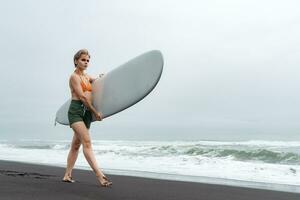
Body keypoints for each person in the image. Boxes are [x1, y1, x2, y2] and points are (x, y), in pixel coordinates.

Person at [62, 49, 112, 187]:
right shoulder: (74, 77)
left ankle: (67, 175)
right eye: (83, 60)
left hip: (86, 114)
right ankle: (100, 176)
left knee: (75, 145)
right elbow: (83, 97)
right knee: (87, 142)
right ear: (76, 61)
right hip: (76, 112)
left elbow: (95, 81)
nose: (86, 62)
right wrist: (95, 112)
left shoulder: (86, 76)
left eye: (88, 60)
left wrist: (100, 77)